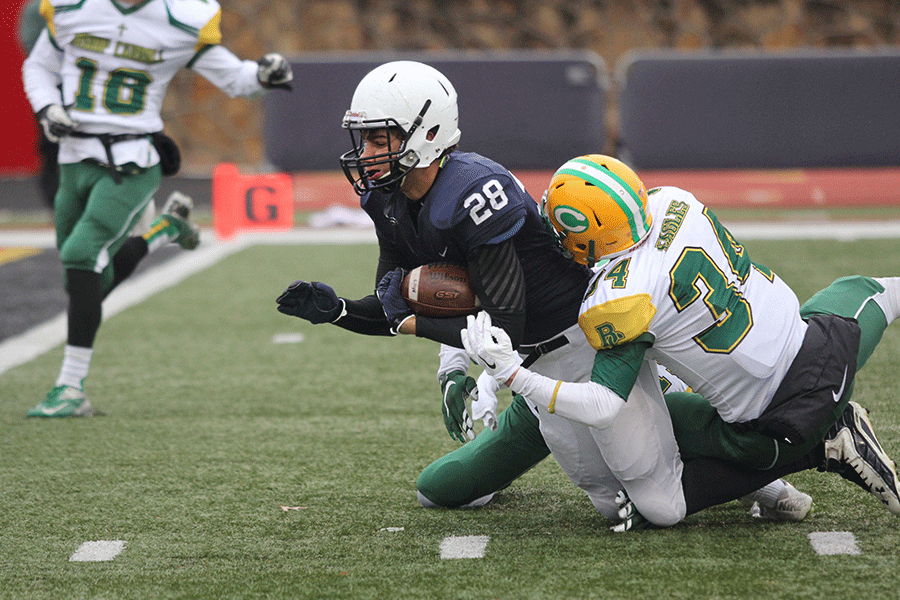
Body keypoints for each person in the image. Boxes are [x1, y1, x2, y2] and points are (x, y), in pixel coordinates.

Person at [276, 61, 810, 525]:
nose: (365, 153)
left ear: (425, 134)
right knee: (572, 500)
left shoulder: (476, 192)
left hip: (586, 342)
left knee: (649, 502)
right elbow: (392, 297)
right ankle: (569, 426)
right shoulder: (386, 199)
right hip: (529, 367)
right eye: (363, 138)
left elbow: (500, 321)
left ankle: (764, 468)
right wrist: (341, 312)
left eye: (378, 138)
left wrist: (413, 326)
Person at [462, 154, 900, 527]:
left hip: (774, 419)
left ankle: (823, 446)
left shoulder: (617, 298)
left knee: (661, 503)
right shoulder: (675, 201)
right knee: (880, 291)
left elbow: (603, 406)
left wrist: (515, 375)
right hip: (822, 339)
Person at [22, 0, 293, 417]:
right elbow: (39, 66)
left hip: (130, 162)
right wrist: (47, 107)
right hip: (73, 158)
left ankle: (70, 387)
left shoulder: (180, 18)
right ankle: (163, 231)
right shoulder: (74, 7)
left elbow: (235, 78)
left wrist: (262, 75)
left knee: (81, 256)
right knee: (86, 277)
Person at [18, 0, 58, 210]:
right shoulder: (37, 7)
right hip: (54, 86)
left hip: (79, 85)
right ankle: (54, 199)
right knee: (51, 142)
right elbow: (33, 53)